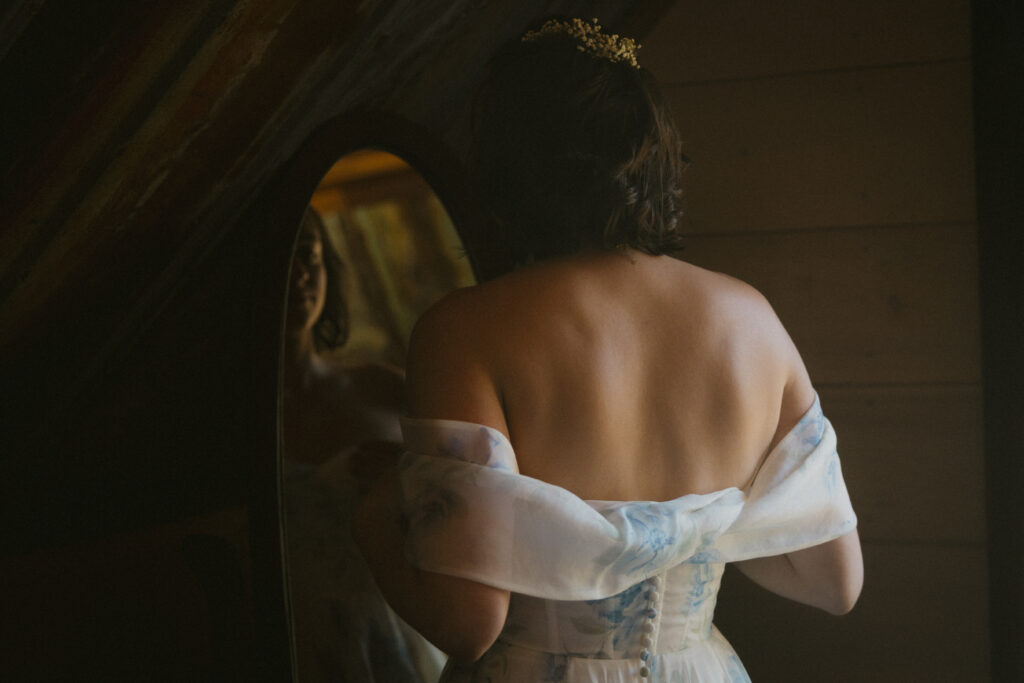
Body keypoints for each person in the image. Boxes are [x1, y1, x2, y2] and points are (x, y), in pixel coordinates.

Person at [353, 17, 862, 682]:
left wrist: (371, 522)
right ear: (654, 153)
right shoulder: (754, 321)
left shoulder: (465, 329)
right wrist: (694, 536)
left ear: (512, 163)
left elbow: (470, 623)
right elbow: (834, 579)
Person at [281, 207, 445, 682]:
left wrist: (416, 475)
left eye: (308, 255)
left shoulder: (383, 390)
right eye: (282, 261)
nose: (297, 275)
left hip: (404, 636)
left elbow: (476, 493)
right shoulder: (227, 428)